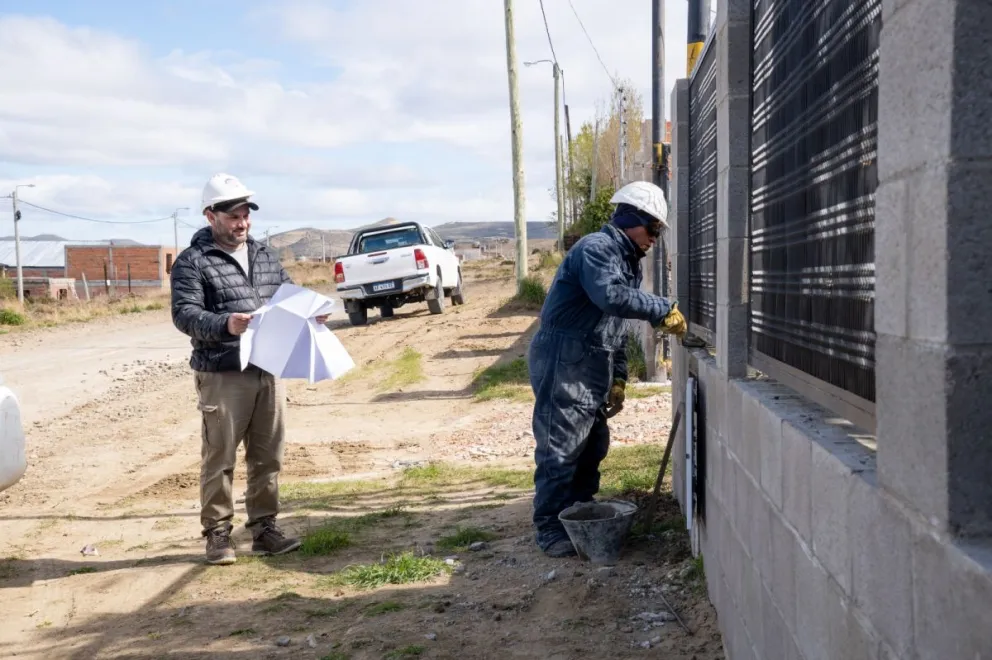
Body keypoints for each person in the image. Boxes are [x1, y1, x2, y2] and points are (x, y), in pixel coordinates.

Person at [170, 173, 328, 565]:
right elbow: (185, 314)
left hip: (268, 366)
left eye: (245, 215)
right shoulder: (193, 262)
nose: (242, 223)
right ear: (211, 216)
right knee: (219, 456)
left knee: (268, 455)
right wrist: (226, 324)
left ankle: (264, 530)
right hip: (221, 372)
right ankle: (218, 534)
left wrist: (311, 314)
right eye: (233, 216)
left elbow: (288, 295)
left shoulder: (264, 255)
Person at [528, 180, 687, 557]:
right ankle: (550, 528)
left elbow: (612, 329)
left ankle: (579, 515)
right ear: (632, 219)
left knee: (592, 445)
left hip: (590, 361)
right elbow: (611, 298)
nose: (654, 239)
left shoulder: (626, 260)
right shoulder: (597, 249)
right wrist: (662, 308)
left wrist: (616, 379)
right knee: (562, 447)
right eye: (653, 229)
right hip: (564, 360)